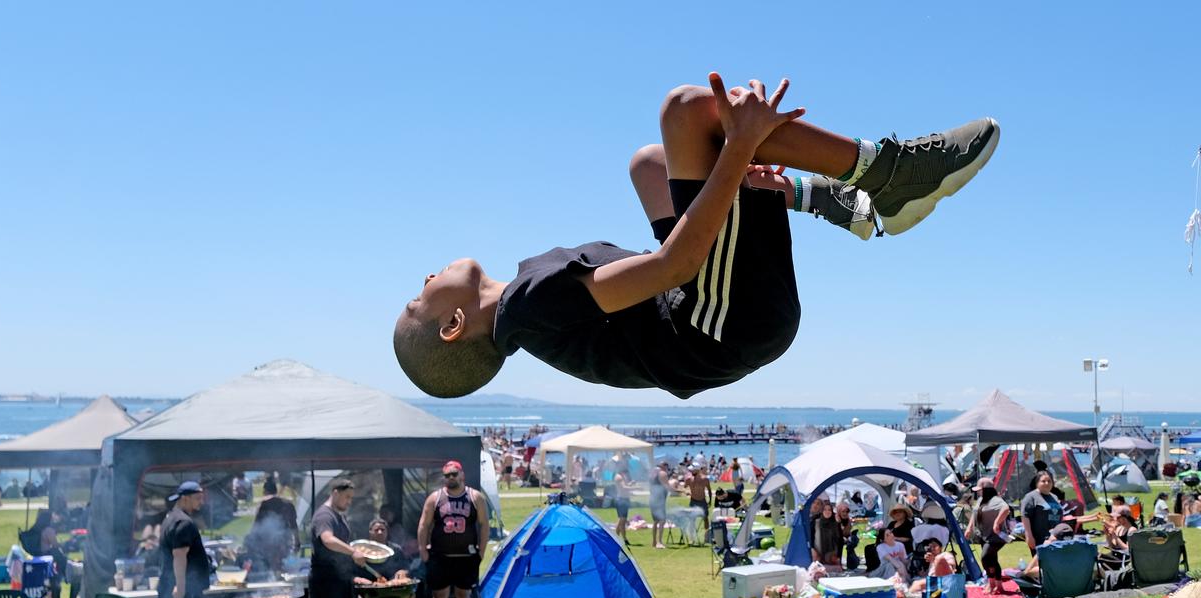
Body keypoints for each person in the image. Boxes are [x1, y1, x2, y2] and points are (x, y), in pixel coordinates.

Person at [393, 73, 998, 399]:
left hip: (715, 319)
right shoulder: (529, 305)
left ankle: (838, 203)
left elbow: (674, 270)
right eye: (418, 298)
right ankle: (887, 174)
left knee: (648, 164)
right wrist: (736, 148)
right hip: (719, 322)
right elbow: (676, 265)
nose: (422, 282)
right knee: (690, 111)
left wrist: (736, 175)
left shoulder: (531, 300)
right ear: (452, 327)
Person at [418, 460, 489, 598]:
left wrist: (481, 552)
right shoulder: (435, 498)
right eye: (447, 475)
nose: (451, 478)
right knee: (439, 596)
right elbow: (424, 525)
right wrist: (423, 550)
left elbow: (484, 525)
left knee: (464, 595)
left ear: (462, 475)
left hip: (466, 557)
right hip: (440, 557)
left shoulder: (475, 497)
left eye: (454, 474)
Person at [308, 477, 368, 598]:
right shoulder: (324, 516)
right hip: (323, 576)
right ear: (335, 493)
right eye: (347, 497)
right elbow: (328, 540)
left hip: (338, 575)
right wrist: (353, 552)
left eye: (351, 498)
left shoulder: (338, 515)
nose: (349, 502)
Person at [355, 517, 415, 598]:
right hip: (370, 589)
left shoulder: (395, 550)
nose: (380, 532)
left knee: (411, 594)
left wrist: (403, 572)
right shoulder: (361, 551)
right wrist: (358, 579)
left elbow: (405, 567)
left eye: (383, 530)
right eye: (376, 530)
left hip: (392, 588)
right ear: (370, 532)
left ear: (387, 532)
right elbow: (352, 573)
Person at [975, 486, 1012, 595]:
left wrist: (997, 522)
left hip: (996, 537)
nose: (978, 492)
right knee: (992, 559)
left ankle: (992, 584)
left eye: (980, 490)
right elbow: (974, 513)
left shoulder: (996, 499)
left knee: (985, 557)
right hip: (984, 536)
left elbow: (1006, 509)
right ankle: (997, 585)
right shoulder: (981, 500)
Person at [1020, 470, 1063, 555]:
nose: (1047, 483)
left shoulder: (1054, 497)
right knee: (1042, 564)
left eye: (1049, 481)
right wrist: (1029, 536)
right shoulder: (1031, 497)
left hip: (1056, 538)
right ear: (1037, 483)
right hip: (1039, 539)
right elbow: (1025, 516)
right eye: (1043, 481)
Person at [812, 501, 843, 566]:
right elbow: (810, 537)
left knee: (833, 560)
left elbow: (839, 540)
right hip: (817, 551)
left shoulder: (835, 522)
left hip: (831, 552)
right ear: (822, 511)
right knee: (817, 562)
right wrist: (813, 550)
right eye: (825, 509)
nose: (827, 512)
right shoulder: (816, 522)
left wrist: (838, 524)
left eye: (829, 510)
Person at [649, 461, 672, 549]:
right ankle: (659, 542)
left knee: (655, 521)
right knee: (662, 521)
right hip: (659, 500)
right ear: (664, 466)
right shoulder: (662, 473)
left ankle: (654, 541)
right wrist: (679, 491)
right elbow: (667, 486)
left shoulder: (653, 473)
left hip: (652, 499)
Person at [613, 471, 635, 545]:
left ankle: (617, 538)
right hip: (621, 499)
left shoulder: (621, 476)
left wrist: (630, 484)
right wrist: (635, 488)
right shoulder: (619, 477)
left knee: (622, 520)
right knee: (622, 520)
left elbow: (624, 486)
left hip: (624, 499)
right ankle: (622, 539)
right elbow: (623, 487)